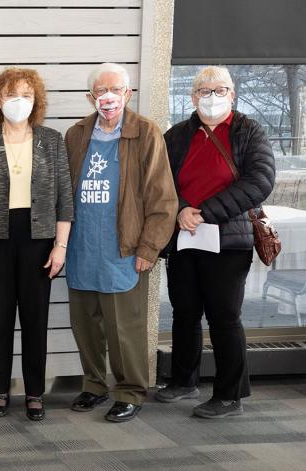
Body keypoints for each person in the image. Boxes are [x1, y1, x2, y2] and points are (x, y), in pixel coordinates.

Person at [156, 66, 275, 418]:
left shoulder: (249, 131)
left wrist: (205, 212)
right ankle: (183, 380)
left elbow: (260, 180)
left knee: (224, 317)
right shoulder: (177, 135)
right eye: (204, 91)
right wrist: (180, 210)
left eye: (219, 90)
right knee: (185, 312)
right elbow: (159, 182)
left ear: (232, 94)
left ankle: (229, 395)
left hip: (229, 239)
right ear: (193, 97)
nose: (211, 97)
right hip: (184, 236)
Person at [64, 62, 177, 423]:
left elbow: (163, 198)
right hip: (82, 247)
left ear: (128, 94)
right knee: (86, 326)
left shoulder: (146, 132)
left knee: (124, 328)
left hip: (124, 250)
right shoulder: (76, 134)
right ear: (90, 97)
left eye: (115, 90)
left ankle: (130, 391)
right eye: (100, 91)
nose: (108, 97)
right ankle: (94, 385)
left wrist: (149, 248)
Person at [0, 67, 73, 421]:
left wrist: (60, 246)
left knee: (35, 318)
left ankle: (34, 393)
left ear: (36, 101)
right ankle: (0, 390)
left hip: (40, 240)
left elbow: (65, 199)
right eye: (11, 95)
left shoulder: (52, 139)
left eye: (26, 95)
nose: (19, 102)